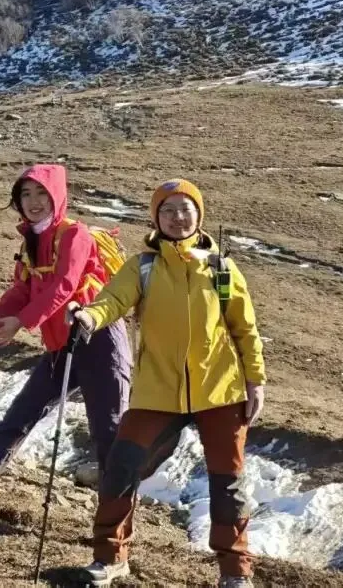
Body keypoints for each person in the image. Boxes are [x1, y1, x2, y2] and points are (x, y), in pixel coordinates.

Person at [72, 179, 266, 588]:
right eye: (168, 210)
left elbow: (244, 329)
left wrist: (255, 380)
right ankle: (110, 557)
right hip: (157, 390)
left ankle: (235, 572)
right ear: (155, 218)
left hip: (221, 390)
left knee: (228, 485)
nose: (178, 217)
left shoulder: (221, 269)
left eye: (186, 209)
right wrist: (89, 317)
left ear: (199, 215)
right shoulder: (142, 267)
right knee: (121, 467)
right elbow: (112, 300)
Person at [0, 164, 131, 519]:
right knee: (18, 417)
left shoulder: (75, 235)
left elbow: (64, 286)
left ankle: (113, 523)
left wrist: (22, 322)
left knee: (108, 431)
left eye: (42, 193)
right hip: (60, 347)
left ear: (57, 195)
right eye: (25, 194)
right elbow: (23, 289)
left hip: (100, 342)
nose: (33, 201)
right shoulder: (31, 240)